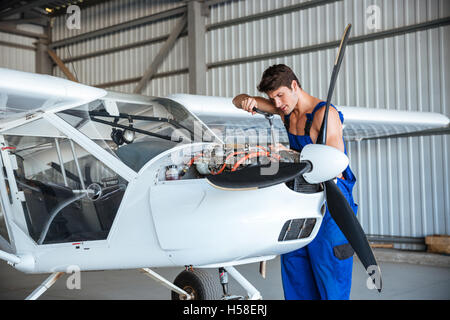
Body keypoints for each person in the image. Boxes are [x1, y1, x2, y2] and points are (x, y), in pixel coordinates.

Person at [232, 64, 358, 300]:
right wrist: (247, 101)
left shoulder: (325, 115)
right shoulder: (285, 110)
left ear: (294, 86)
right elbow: (236, 100)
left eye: (280, 95)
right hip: (299, 200)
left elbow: (335, 164)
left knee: (331, 279)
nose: (277, 103)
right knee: (296, 273)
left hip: (331, 204)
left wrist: (291, 155)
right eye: (272, 98)